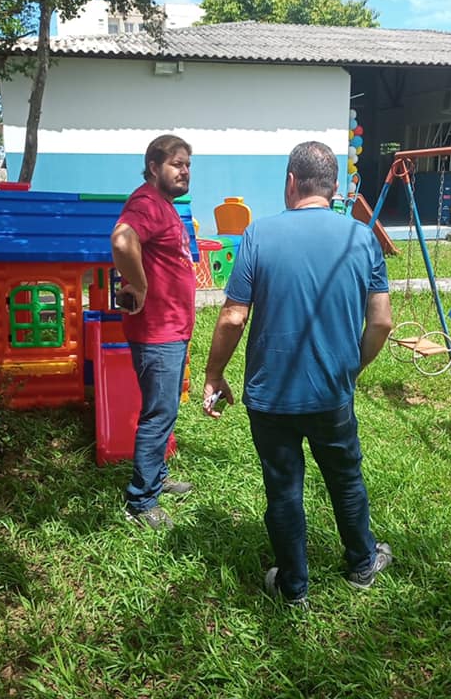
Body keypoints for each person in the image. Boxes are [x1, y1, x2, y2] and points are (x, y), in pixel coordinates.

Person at [202, 140, 395, 607]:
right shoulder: (362, 237)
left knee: (283, 489)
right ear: (334, 189)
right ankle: (362, 564)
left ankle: (293, 589)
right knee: (345, 478)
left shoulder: (258, 235)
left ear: (291, 182)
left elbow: (231, 318)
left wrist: (214, 374)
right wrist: (352, 368)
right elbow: (382, 321)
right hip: (332, 393)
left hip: (270, 398)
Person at [111, 134, 197, 531]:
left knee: (165, 411)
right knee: (158, 415)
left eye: (187, 165)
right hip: (158, 333)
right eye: (176, 164)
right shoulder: (146, 202)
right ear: (153, 167)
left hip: (172, 331)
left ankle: (156, 479)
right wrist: (140, 287)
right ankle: (141, 502)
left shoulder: (164, 206)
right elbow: (122, 240)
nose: (184, 171)